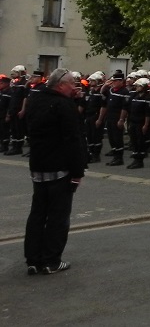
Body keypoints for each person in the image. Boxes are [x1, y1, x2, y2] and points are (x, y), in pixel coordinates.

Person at [24, 68, 87, 275]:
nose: (74, 87)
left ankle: (33, 259)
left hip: (38, 165)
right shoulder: (63, 105)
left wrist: (73, 100)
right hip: (59, 167)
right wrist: (77, 171)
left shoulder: (36, 99)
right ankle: (51, 260)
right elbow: (72, 138)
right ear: (61, 85)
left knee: (38, 214)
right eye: (72, 84)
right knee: (58, 216)